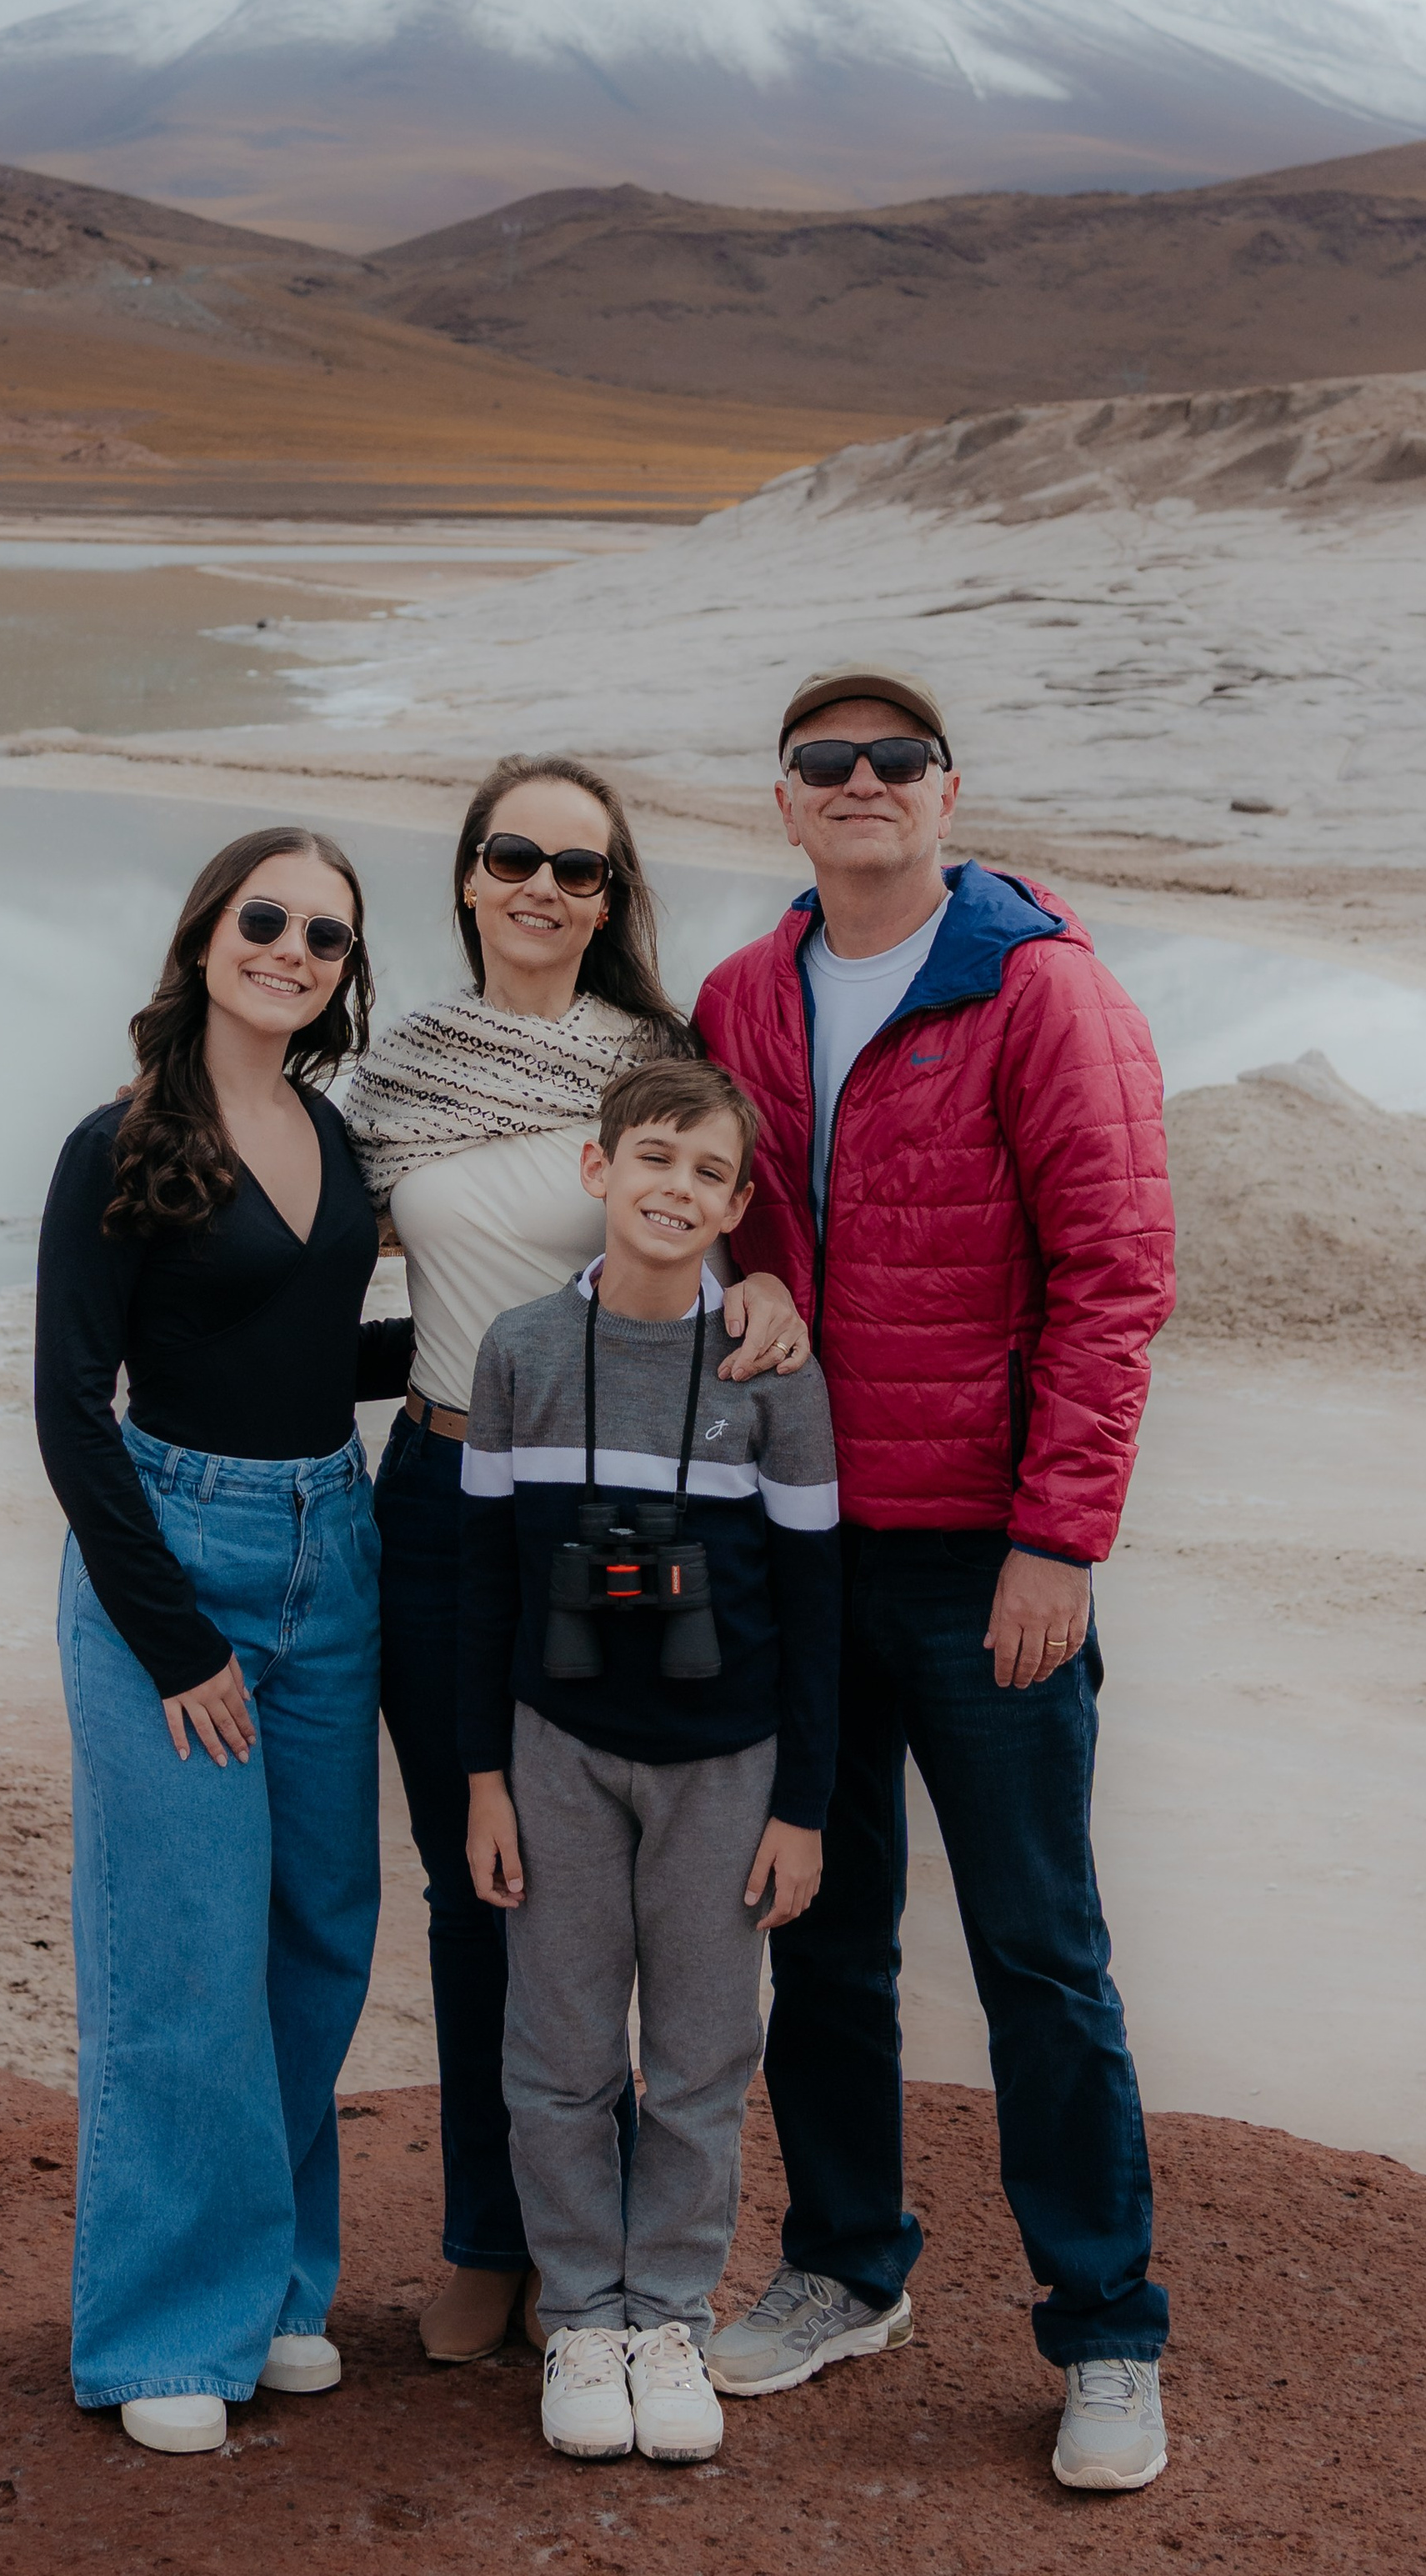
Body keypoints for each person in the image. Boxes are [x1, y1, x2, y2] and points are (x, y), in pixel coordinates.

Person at [693, 666, 1178, 2496]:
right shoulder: (744, 993)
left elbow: (1113, 1275)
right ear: (786, 804)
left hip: (985, 1563)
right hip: (803, 1550)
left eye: (896, 759)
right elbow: (713, 1219)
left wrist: (1057, 1535)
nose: (862, 783)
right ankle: (842, 2264)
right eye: (826, 762)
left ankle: (1104, 2328)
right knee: (818, 1930)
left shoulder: (1037, 989)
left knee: (1038, 1949)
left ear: (948, 793)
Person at [343, 754, 810, 2365]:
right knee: (490, 1882)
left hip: (644, 1513)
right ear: (469, 873)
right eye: (514, 854)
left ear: (614, 898)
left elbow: (727, 1231)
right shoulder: (395, 1078)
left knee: (666, 1904)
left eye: (581, 867)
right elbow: (330, 1274)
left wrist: (773, 1295)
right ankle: (502, 2236)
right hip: (445, 1487)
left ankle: (644, 2275)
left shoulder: (659, 1066)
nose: (545, 886)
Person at [34, 825, 413, 2456]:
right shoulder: (115, 1143)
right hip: (172, 1561)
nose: (292, 947)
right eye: (265, 918)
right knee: (179, 1947)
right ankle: (162, 2331)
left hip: (335, 1546)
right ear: (204, 937)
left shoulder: (332, 1132)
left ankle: (274, 2289)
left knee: (319, 1928)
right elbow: (71, 1407)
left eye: (324, 934)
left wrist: (556, 1328)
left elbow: (323, 1346)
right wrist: (172, 1636)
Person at [458, 1057, 842, 2466]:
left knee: (697, 2054)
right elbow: (486, 1588)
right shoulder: (520, 1352)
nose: (677, 1188)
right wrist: (485, 1776)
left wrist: (803, 1801)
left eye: (709, 1173)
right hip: (555, 1750)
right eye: (655, 1158)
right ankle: (580, 2317)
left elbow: (816, 1605)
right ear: (596, 1168)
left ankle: (668, 2314)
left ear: (741, 1205)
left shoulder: (771, 1370)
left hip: (725, 1764)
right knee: (557, 2052)